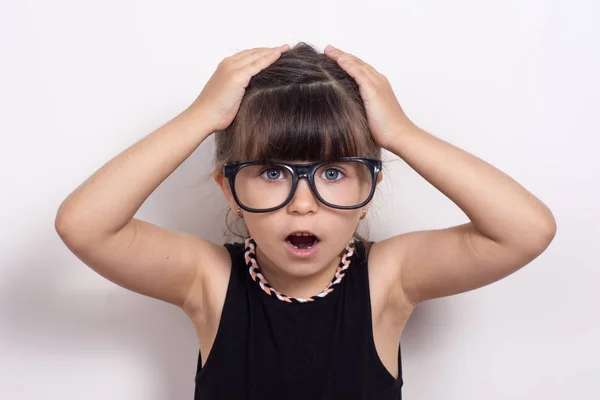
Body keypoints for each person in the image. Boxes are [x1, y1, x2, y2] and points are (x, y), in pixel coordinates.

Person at [54, 42, 557, 399]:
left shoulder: (388, 280)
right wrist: (201, 115)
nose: (302, 202)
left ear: (370, 187)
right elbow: (85, 226)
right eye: (273, 171)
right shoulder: (207, 280)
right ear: (228, 187)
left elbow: (525, 230)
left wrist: (401, 133)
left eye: (334, 172)